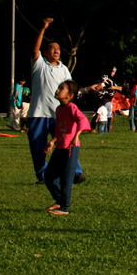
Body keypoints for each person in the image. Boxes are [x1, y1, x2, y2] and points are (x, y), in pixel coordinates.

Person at [27, 18, 82, 183]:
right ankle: (43, 176)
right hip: (38, 113)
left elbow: (71, 90)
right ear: (45, 52)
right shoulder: (40, 65)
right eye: (52, 48)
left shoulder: (64, 69)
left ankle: (75, 172)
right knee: (38, 148)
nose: (56, 50)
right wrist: (43, 28)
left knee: (67, 143)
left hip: (59, 115)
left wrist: (87, 89)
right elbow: (35, 49)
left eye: (58, 48)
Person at [44, 80, 91, 215]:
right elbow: (61, 131)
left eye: (61, 88)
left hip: (70, 148)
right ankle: (59, 200)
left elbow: (82, 120)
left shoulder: (72, 107)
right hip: (60, 147)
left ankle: (65, 208)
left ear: (70, 95)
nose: (58, 90)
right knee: (49, 175)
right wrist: (52, 142)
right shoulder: (59, 109)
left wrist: (76, 136)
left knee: (66, 178)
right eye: (58, 88)